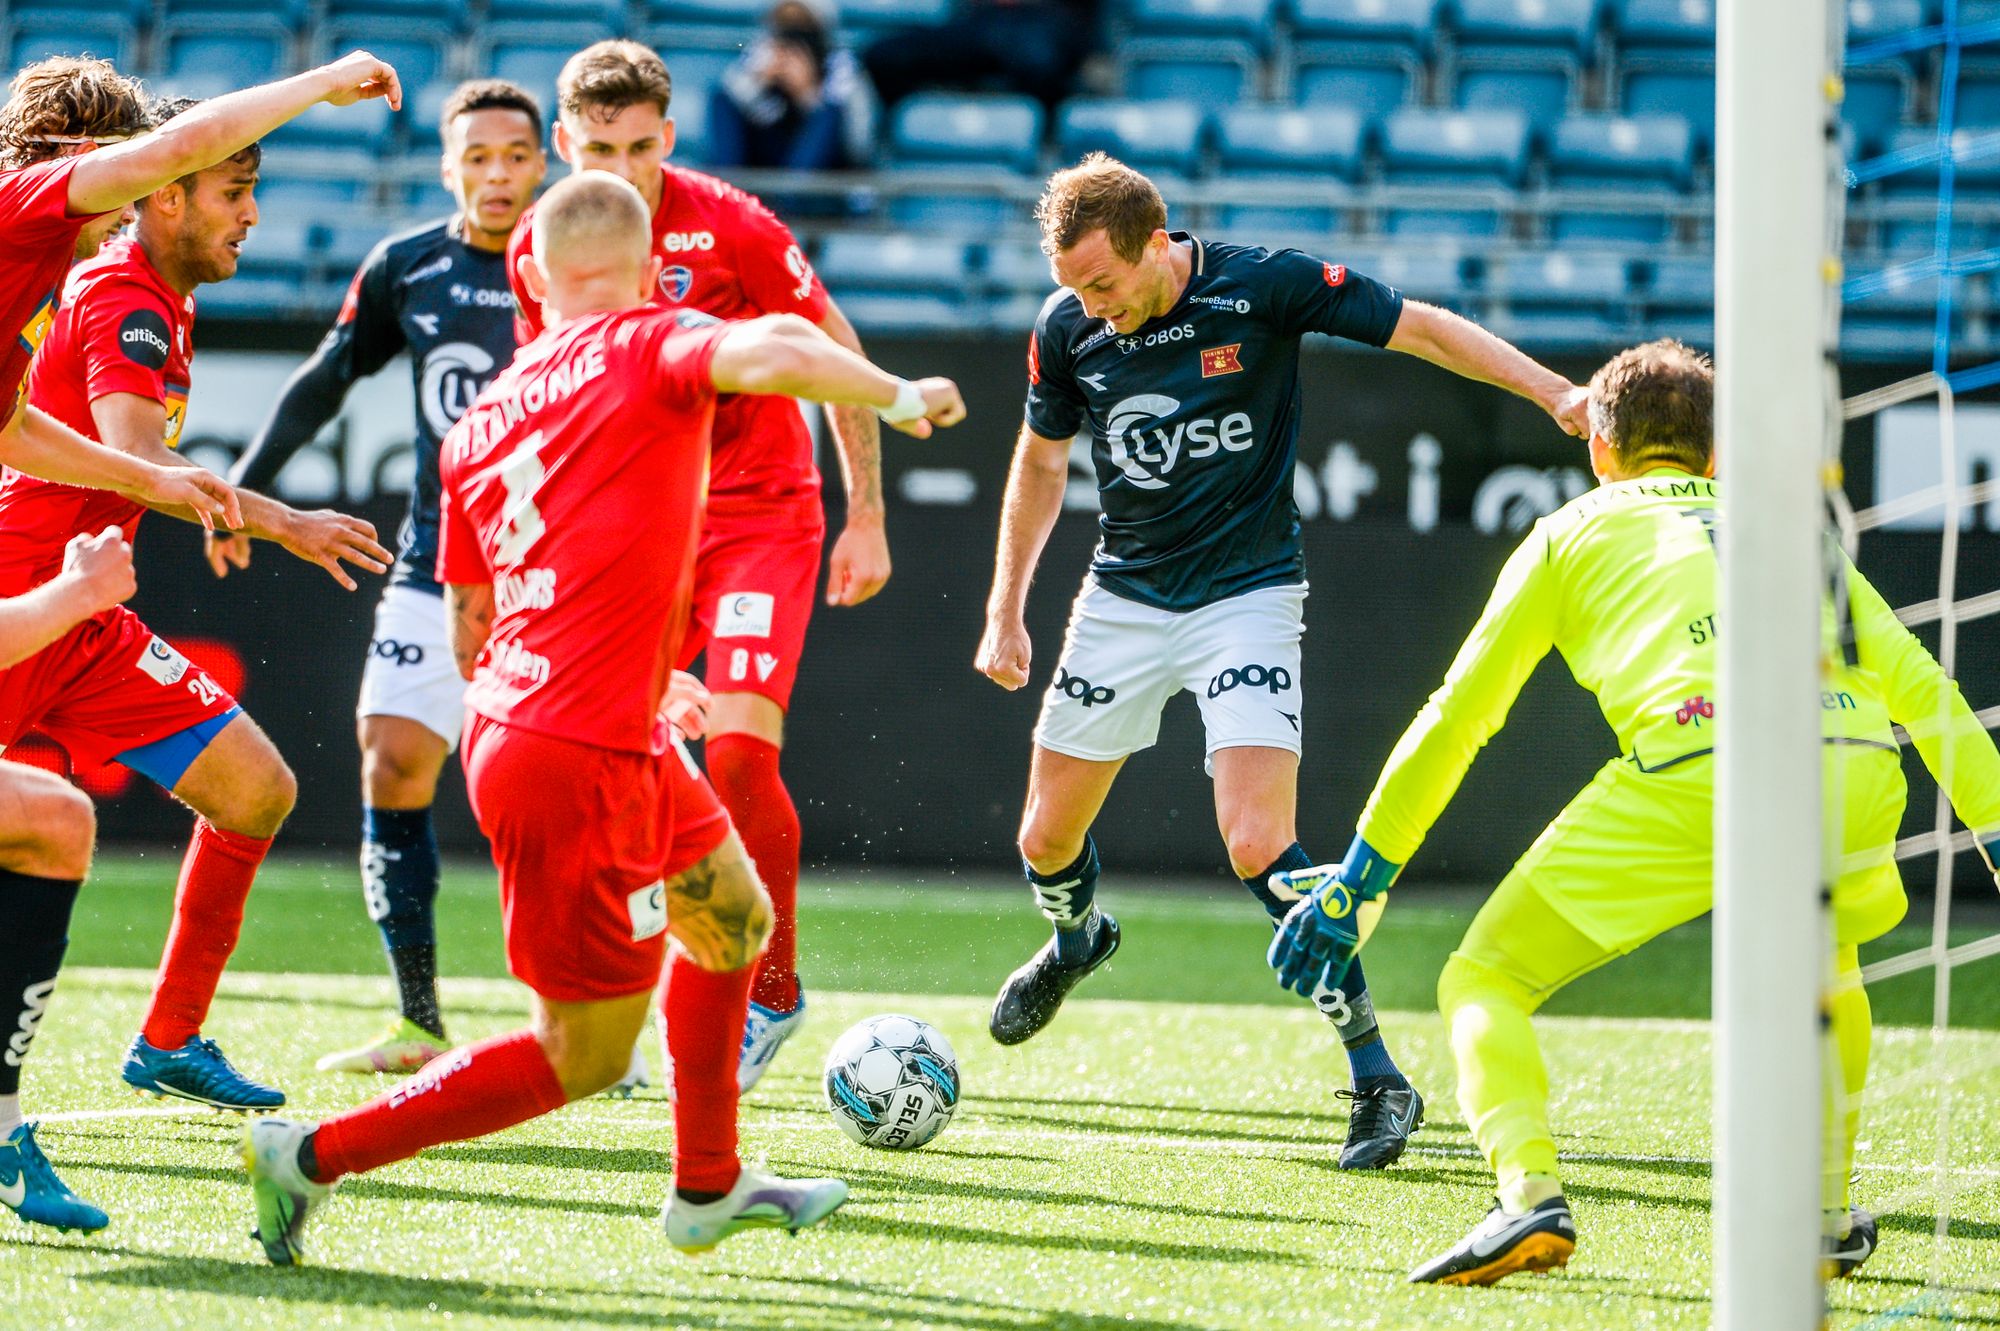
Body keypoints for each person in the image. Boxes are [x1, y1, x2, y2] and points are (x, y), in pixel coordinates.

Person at [242, 171, 965, 1266]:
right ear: (647, 266)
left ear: (527, 271)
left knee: (731, 916)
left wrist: (618, 680)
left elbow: (470, 624)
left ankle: (706, 1186)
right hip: (575, 747)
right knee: (579, 1053)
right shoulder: (650, 340)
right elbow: (771, 342)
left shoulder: (482, 412)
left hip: (547, 721)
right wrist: (895, 395)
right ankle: (308, 1154)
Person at [1264, 339, 1996, 1284]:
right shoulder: (1788, 527)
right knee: (1831, 960)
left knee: (1483, 980)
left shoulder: (1573, 529)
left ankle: (1529, 1197)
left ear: (1600, 450)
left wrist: (1365, 877)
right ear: (1717, 452)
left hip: (1704, 762)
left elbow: (1459, 718)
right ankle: (1823, 1211)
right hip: (1855, 765)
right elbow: (1924, 687)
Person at [976, 152, 1591, 1170]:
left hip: (1246, 596)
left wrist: (1550, 391)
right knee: (1044, 837)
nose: (1087, 303)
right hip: (1122, 597)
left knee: (1258, 842)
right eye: (1073, 286)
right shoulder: (1065, 328)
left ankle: (1376, 1074)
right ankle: (1077, 938)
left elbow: (1422, 326)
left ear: (1154, 244)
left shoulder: (1258, 284)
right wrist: (1006, 609)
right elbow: (1041, 460)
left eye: (1101, 283)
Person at [0, 49, 400, 1234]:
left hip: (84, 603)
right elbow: (149, 456)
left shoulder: (121, 286)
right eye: (231, 188)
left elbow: (29, 436)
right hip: (30, 600)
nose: (250, 211)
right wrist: (325, 80)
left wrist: (204, 505)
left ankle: (164, 1038)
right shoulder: (92, 268)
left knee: (253, 788)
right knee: (44, 829)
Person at [509, 39, 895, 1089]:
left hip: (760, 515)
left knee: (736, 758)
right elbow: (545, 397)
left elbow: (831, 337)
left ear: (669, 137)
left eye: (640, 146)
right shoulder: (545, 247)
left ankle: (769, 992)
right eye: (596, 147)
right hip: (638, 530)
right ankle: (634, 990)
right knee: (608, 762)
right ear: (561, 142)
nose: (620, 167)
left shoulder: (733, 224)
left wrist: (867, 513)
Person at [219, 78, 550, 1077]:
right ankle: (417, 1019)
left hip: (558, 571)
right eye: (476, 156)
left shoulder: (579, 261)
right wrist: (245, 488)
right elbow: (328, 377)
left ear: (545, 163)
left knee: (565, 794)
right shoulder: (406, 265)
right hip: (433, 561)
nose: (496, 175)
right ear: (448, 166)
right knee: (391, 761)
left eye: (515, 156)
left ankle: (592, 1017)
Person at [708, 0, 874, 172]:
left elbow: (859, 145)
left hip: (823, 169)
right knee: (724, 98)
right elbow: (729, 99)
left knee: (829, 113)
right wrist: (759, 81)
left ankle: (792, 194)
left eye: (802, 23)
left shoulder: (843, 67)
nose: (792, 35)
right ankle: (727, 187)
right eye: (785, 23)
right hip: (766, 153)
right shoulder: (758, 57)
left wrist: (806, 94)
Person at [862, 0, 1097, 111]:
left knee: (1036, 62)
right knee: (885, 56)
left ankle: (1040, 139)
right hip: (983, 18)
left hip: (1048, 17)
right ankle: (924, 119)